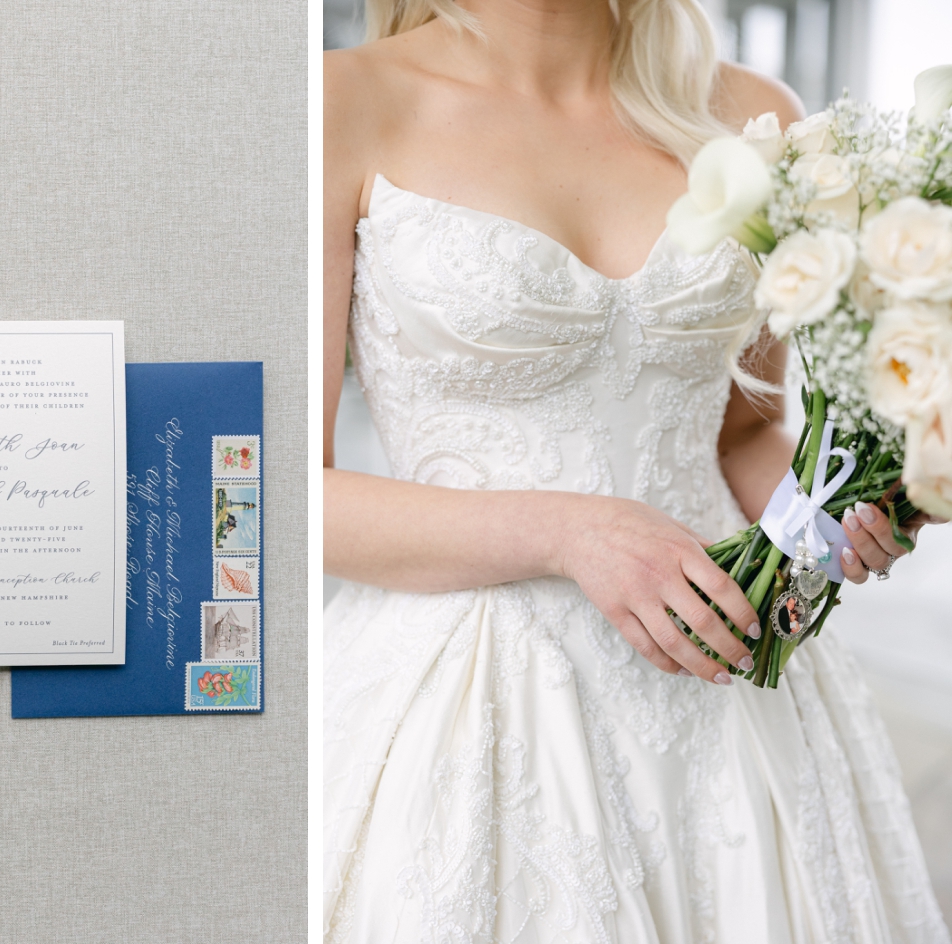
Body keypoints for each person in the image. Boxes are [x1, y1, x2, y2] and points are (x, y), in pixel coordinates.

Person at [321, 1, 949, 940]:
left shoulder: (746, 115)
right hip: (464, 706)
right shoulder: (344, 105)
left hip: (728, 684)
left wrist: (837, 508)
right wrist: (569, 531)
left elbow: (742, 437)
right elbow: (270, 497)